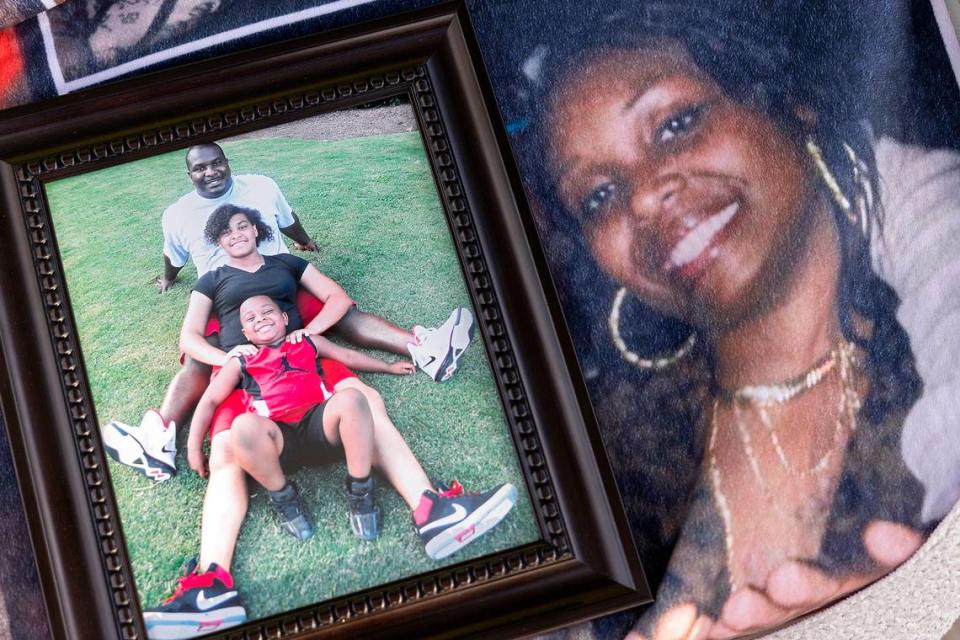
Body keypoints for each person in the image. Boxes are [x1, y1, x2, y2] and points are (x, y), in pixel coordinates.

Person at [531, 6, 948, 639]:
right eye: (598, 196)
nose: (642, 198)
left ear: (786, 100)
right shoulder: (607, 451)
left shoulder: (932, 261)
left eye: (676, 123)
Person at [142, 294, 517, 639]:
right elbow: (205, 384)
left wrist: (385, 365)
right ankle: (224, 574)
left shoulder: (298, 314)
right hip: (272, 428)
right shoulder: (229, 334)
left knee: (358, 401)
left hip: (317, 412)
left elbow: (344, 342)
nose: (260, 319)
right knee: (238, 434)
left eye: (267, 312)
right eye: (251, 318)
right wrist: (194, 444)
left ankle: (397, 501)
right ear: (242, 330)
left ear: (286, 316)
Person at [103, 143, 473, 481]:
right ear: (190, 175)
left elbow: (286, 218)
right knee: (198, 360)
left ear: (227, 163)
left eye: (216, 164)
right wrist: (169, 280)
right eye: (200, 169)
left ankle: (426, 350)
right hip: (225, 297)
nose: (210, 172)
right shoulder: (178, 214)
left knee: (343, 314)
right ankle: (158, 439)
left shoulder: (261, 187)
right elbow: (174, 257)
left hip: (280, 281)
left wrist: (303, 241)